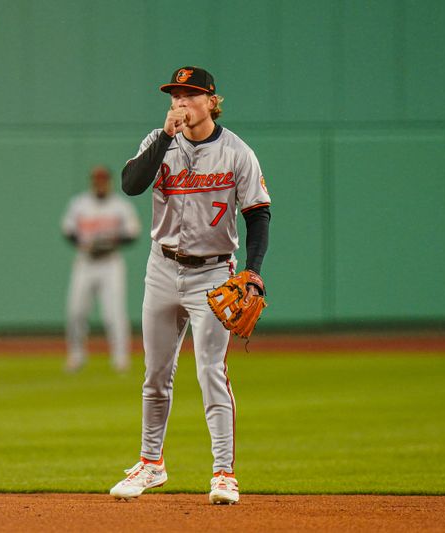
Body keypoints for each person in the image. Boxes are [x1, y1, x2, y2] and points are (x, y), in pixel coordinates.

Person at [109, 66, 271, 504]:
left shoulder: (237, 152)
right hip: (161, 269)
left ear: (210, 102)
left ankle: (223, 473)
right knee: (155, 374)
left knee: (210, 372)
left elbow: (258, 213)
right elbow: (131, 184)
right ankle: (151, 463)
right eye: (175, 95)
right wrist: (164, 138)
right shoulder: (157, 142)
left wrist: (252, 272)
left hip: (214, 273)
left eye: (189, 95)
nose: (180, 103)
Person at [61, 166, 141, 373]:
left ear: (109, 181)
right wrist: (82, 243)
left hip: (110, 263)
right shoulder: (79, 204)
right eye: (97, 179)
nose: (100, 183)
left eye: (103, 179)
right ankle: (76, 355)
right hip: (85, 262)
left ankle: (120, 358)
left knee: (113, 313)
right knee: (76, 311)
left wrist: (112, 241)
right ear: (92, 181)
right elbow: (68, 230)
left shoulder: (120, 206)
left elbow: (132, 233)